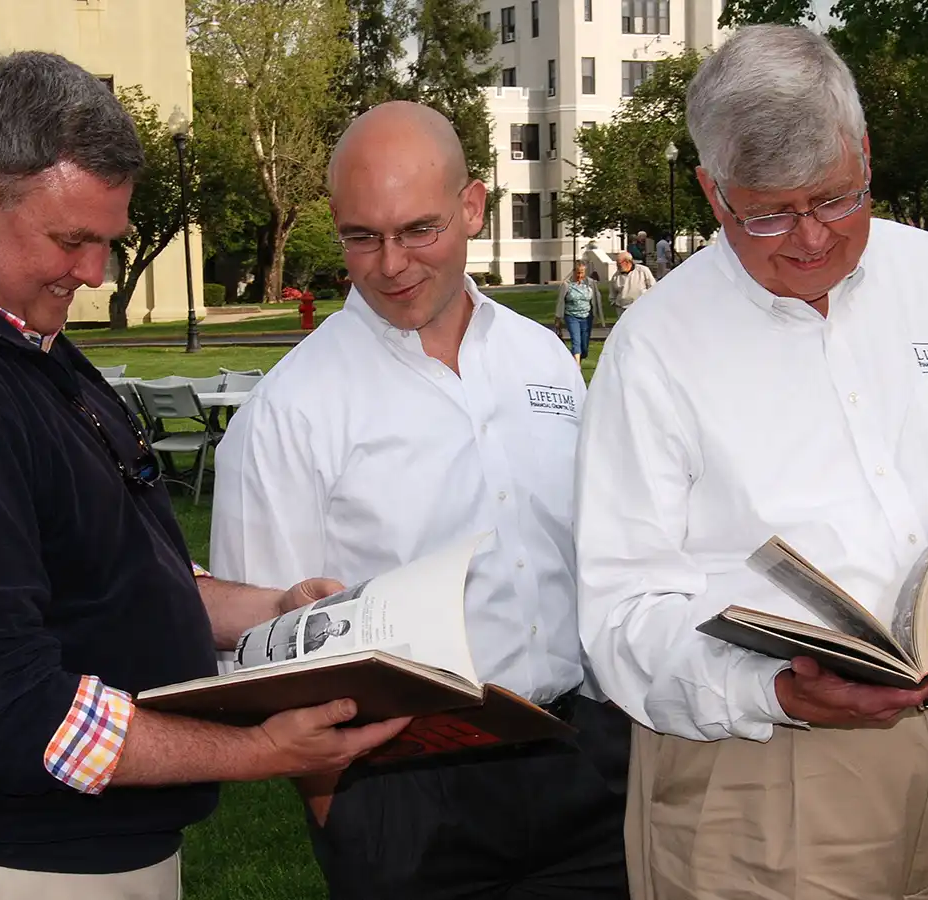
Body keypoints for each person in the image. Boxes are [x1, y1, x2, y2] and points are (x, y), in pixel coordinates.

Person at [0, 52, 406, 900]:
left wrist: (267, 609)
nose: (95, 273)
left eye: (107, 243)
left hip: (54, 851)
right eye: (72, 240)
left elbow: (90, 563)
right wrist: (262, 751)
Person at [573, 26, 928, 900]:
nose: (812, 239)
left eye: (835, 198)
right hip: (765, 773)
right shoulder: (657, 346)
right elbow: (620, 616)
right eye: (769, 213)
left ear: (864, 154)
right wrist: (776, 690)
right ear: (713, 193)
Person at [211, 101, 631, 900]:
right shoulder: (291, 410)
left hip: (587, 765)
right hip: (407, 794)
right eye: (361, 237)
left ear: (473, 206)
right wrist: (342, 809)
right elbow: (260, 658)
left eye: (419, 230)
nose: (391, 264)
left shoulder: (540, 358)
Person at [553, 261, 607, 365]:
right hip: (572, 316)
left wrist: (599, 317)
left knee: (584, 347)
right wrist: (558, 318)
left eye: (582, 273)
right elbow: (560, 302)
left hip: (587, 317)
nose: (580, 275)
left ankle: (577, 361)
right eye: (578, 273)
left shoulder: (590, 284)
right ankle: (577, 368)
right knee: (576, 342)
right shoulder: (567, 285)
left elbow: (596, 300)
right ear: (574, 272)